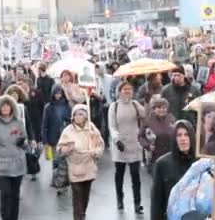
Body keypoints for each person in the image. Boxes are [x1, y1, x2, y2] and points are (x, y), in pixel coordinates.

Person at [0, 95, 27, 220]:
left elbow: (25, 140)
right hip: (1, 166)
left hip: (18, 164)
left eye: (8, 105)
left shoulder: (18, 122)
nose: (6, 107)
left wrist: (24, 142)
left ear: (12, 107)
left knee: (15, 196)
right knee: (6, 194)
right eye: (3, 105)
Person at [57, 104, 105, 220]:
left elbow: (100, 145)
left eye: (80, 114)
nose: (78, 117)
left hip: (89, 167)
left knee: (85, 197)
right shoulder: (68, 131)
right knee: (77, 198)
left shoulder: (91, 128)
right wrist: (68, 149)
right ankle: (78, 217)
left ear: (85, 116)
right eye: (75, 114)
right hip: (75, 169)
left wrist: (96, 152)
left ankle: (82, 215)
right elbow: (59, 149)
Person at [108, 81, 146, 214]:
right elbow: (112, 126)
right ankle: (120, 199)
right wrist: (117, 140)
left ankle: (137, 203)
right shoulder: (114, 106)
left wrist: (145, 103)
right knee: (119, 175)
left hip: (134, 145)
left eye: (129, 89)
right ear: (119, 91)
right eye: (124, 89)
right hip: (120, 147)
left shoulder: (135, 104)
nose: (127, 91)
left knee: (136, 176)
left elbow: (145, 115)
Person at [150, 120, 197, 220]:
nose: (183, 139)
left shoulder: (201, 163)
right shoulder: (162, 164)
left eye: (186, 135)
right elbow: (157, 202)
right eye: (179, 135)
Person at [138, 97, 175, 171]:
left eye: (164, 108)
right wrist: (147, 146)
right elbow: (140, 137)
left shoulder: (171, 118)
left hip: (170, 155)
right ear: (154, 109)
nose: (162, 110)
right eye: (159, 107)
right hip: (155, 157)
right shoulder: (148, 121)